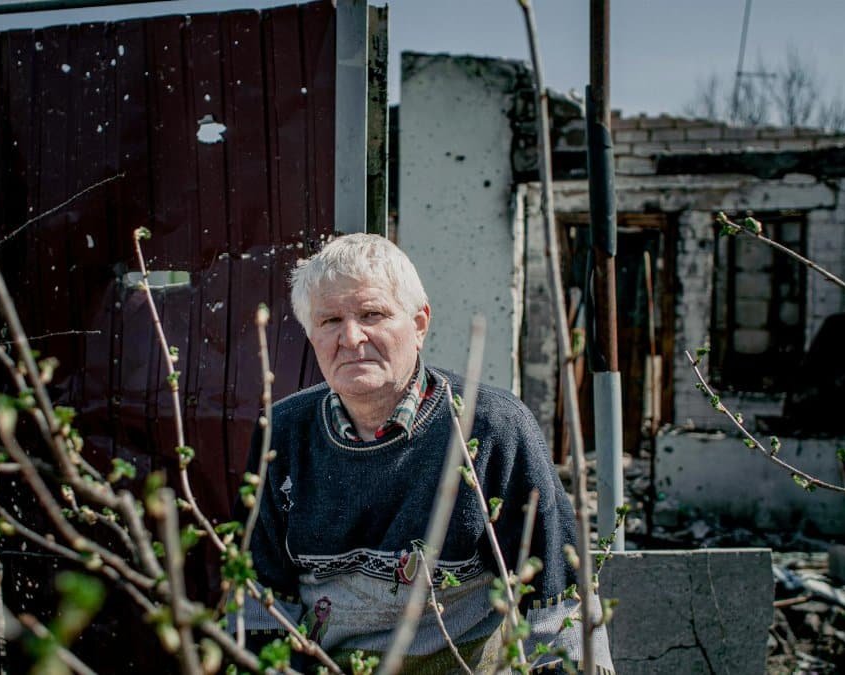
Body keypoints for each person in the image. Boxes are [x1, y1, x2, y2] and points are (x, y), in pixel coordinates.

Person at [238, 233, 614, 673]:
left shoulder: (492, 427)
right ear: (311, 333)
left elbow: (557, 601)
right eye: (330, 321)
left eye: (371, 314)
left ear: (419, 324)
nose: (351, 337)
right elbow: (259, 603)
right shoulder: (284, 432)